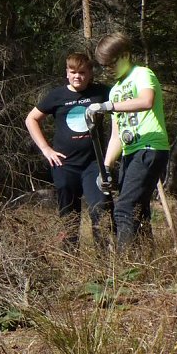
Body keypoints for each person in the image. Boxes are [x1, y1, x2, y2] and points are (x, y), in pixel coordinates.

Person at [86, 31, 170, 251]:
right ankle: (147, 264)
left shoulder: (141, 74)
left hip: (150, 147)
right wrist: (105, 167)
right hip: (130, 152)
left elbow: (146, 101)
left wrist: (108, 107)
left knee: (124, 208)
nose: (109, 69)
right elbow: (116, 134)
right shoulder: (114, 91)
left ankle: (126, 268)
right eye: (104, 66)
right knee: (138, 211)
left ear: (126, 55)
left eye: (112, 63)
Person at [25, 52, 113, 250]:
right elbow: (31, 119)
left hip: (94, 163)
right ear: (67, 73)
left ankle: (105, 260)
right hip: (65, 164)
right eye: (73, 72)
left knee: (99, 207)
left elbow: (124, 100)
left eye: (82, 72)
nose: (77, 76)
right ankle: (70, 257)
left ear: (90, 73)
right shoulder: (57, 95)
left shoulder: (101, 92)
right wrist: (46, 149)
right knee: (68, 213)